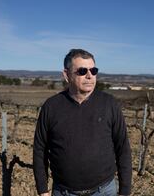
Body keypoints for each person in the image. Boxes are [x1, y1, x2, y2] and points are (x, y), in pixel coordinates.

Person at [33, 49, 132, 196]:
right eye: (82, 71)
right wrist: (42, 189)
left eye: (93, 70)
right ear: (66, 75)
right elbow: (40, 149)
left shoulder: (109, 104)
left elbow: (122, 147)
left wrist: (124, 190)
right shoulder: (51, 107)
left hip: (104, 191)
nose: (89, 75)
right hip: (63, 192)